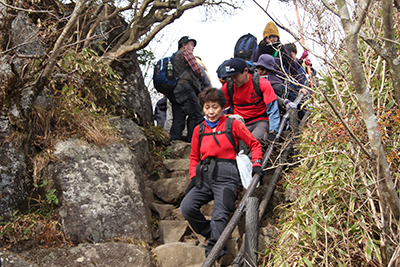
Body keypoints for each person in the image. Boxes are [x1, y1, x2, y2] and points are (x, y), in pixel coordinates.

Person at [180, 87, 263, 260]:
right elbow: (194, 156)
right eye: (207, 107)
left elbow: (254, 144)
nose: (211, 112)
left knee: (220, 213)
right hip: (204, 175)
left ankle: (215, 250)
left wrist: (256, 163)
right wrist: (194, 177)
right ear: (202, 108)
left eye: (215, 107)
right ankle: (211, 232)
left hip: (227, 175)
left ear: (222, 107)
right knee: (187, 207)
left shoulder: (233, 124)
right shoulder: (199, 130)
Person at [221, 58, 281, 148]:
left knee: (255, 143)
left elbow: (273, 110)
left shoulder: (261, 83)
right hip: (239, 123)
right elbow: (218, 107)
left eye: (235, 76)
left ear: (245, 71)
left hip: (260, 121)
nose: (233, 80)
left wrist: (273, 131)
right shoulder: (229, 87)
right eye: (230, 77)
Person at [168, 36, 204, 142]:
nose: (193, 47)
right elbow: (198, 71)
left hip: (173, 90)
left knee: (178, 117)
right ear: (184, 45)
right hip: (185, 88)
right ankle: (193, 142)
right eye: (191, 44)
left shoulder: (173, 57)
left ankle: (174, 141)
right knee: (196, 114)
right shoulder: (186, 53)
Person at [250, 22, 301, 88]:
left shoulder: (282, 51)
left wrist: (301, 85)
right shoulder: (259, 50)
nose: (271, 39)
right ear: (265, 38)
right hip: (259, 81)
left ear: (277, 37)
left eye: (274, 37)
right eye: (269, 37)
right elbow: (252, 66)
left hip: (276, 82)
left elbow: (293, 69)